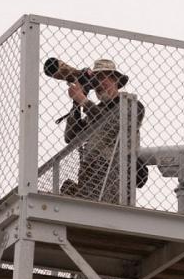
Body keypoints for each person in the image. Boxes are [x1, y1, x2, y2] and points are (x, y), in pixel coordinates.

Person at [61, 58, 146, 203]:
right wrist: (76, 104)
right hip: (89, 177)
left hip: (115, 176)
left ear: (116, 80)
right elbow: (70, 136)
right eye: (95, 79)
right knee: (67, 190)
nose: (98, 84)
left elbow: (111, 124)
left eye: (103, 78)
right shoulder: (93, 111)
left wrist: (84, 101)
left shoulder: (131, 105)